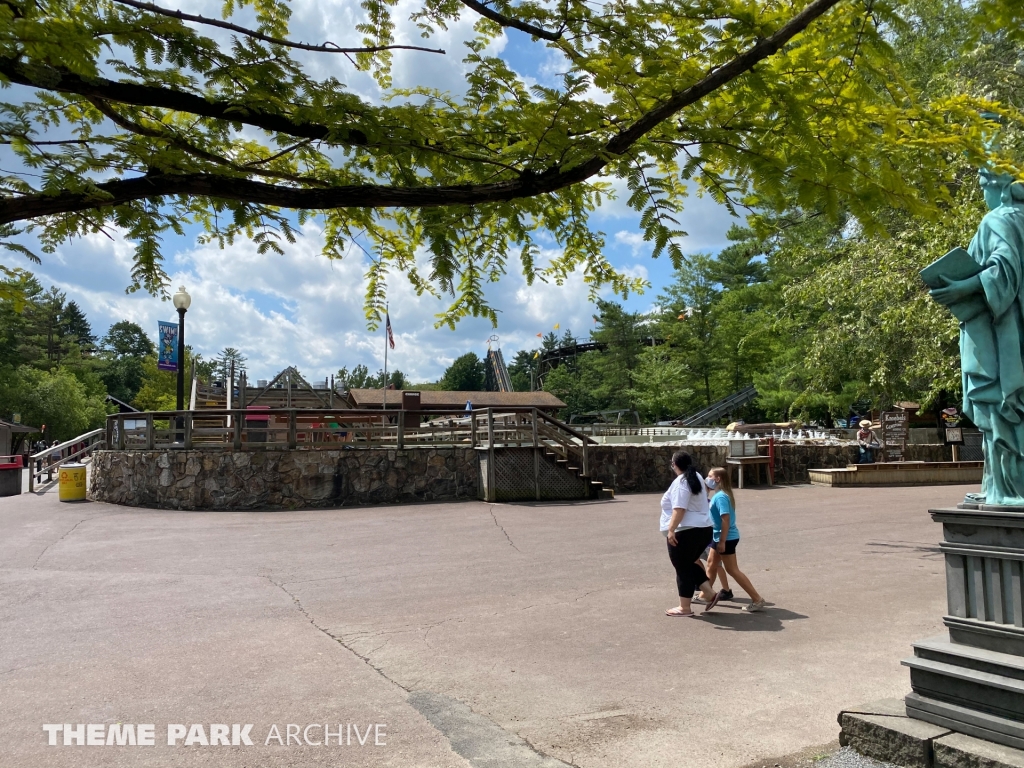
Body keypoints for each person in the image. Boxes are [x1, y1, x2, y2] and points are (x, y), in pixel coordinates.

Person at [929, 166, 1024, 505]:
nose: (982, 194)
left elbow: (1004, 268)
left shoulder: (999, 219)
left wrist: (961, 289)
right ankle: (997, 485)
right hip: (1012, 333)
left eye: (982, 186)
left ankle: (1009, 490)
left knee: (1002, 410)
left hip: (1000, 337)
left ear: (996, 187)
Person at [661, 450, 722, 617]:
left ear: (675, 465)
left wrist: (671, 529)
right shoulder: (695, 476)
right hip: (703, 529)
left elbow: (679, 508)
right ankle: (709, 593)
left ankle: (684, 607)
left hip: (686, 530)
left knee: (682, 568)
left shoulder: (682, 481)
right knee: (689, 563)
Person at [705, 467, 767, 612]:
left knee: (732, 570)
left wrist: (722, 541)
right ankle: (705, 594)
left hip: (725, 538)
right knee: (711, 564)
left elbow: (725, 520)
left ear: (718, 479)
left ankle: (757, 599)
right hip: (720, 536)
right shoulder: (720, 494)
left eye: (709, 476)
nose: (707, 479)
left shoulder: (720, 497)